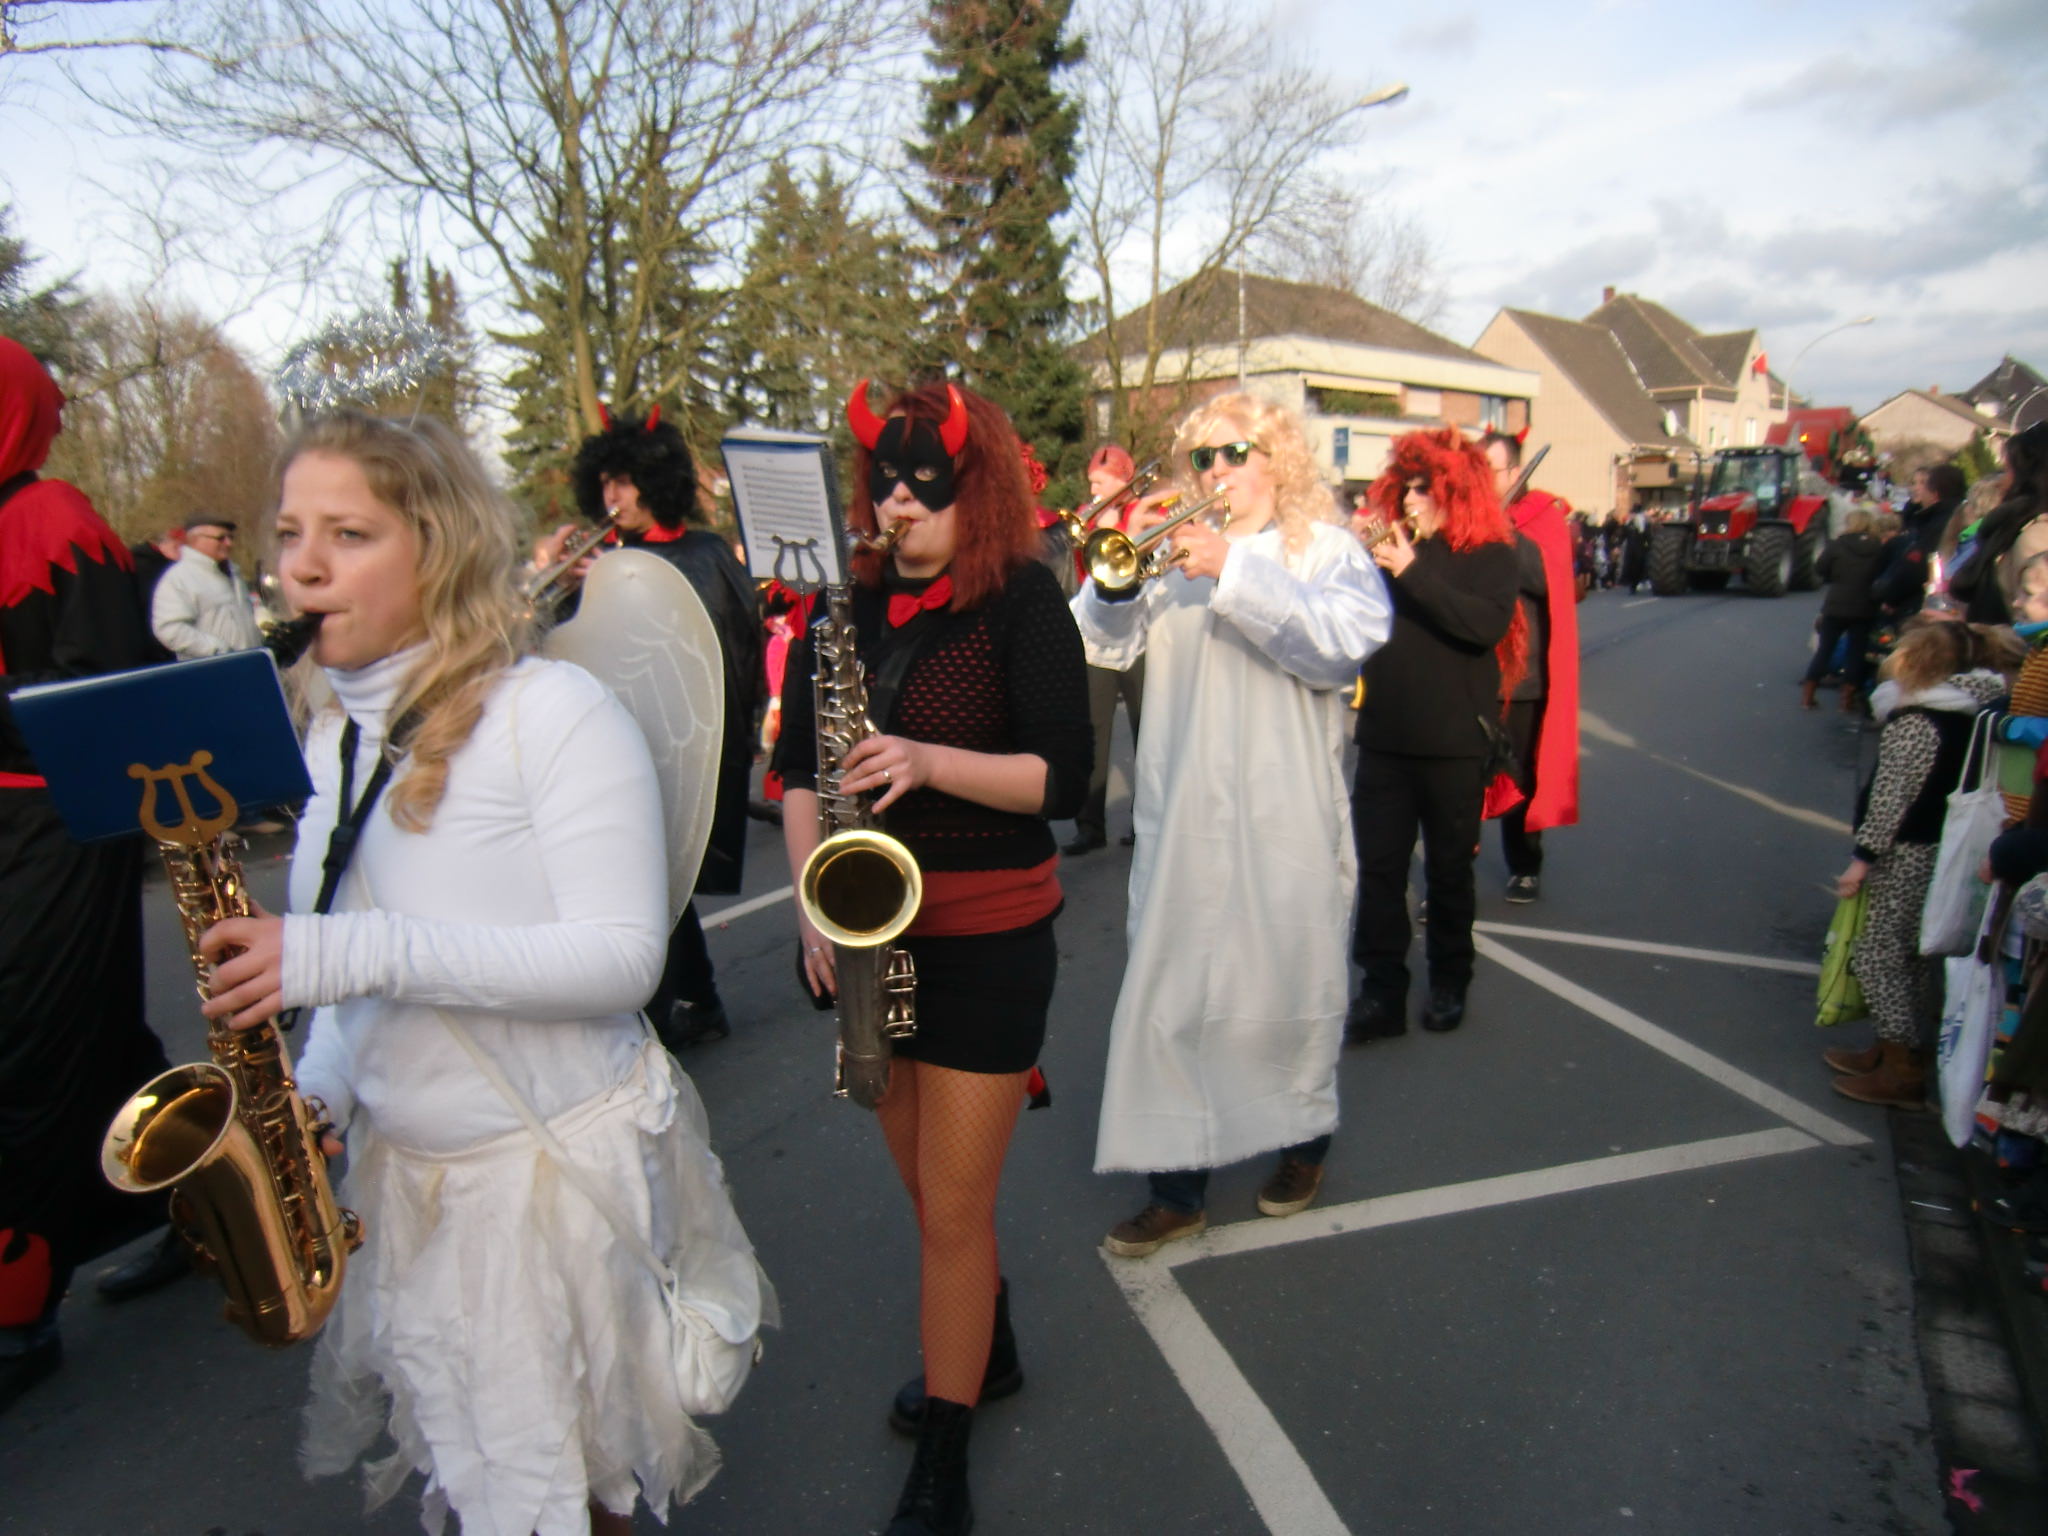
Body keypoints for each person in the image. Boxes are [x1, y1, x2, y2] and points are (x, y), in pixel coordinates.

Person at [194, 409, 768, 1535]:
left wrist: (330, 953)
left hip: (550, 1184)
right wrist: (320, 1091)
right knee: (490, 1493)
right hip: (415, 1187)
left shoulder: (549, 713)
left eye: (348, 534)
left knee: (571, 1503)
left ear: (439, 545)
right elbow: (353, 968)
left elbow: (620, 959)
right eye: (290, 532)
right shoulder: (333, 737)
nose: (301, 567)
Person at [776, 380, 1090, 1536]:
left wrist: (925, 759)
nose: (898, 504)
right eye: (884, 483)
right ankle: (986, 1344)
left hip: (990, 938)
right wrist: (811, 908)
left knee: (954, 1210)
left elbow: (1064, 778)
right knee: (924, 1190)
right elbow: (797, 773)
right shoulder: (839, 609)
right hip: (870, 934)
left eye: (926, 485)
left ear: (978, 492)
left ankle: (942, 1467)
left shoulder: (1022, 599)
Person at [1077, 392, 1390, 1254]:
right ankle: (1176, 1189)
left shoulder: (1323, 549)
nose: (1216, 471)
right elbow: (1102, 643)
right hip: (1184, 817)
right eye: (1203, 458)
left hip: (1282, 814)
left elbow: (1342, 643)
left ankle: (1302, 1144)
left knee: (1288, 985)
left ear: (1276, 459)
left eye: (1234, 453)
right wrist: (1117, 580)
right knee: (1170, 998)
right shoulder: (1173, 550)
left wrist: (1233, 571)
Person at [0, 338, 175, 1412]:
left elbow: (106, 693)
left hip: (53, 824)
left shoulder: (53, 520)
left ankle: (18, 1305)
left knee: (24, 1045)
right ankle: (201, 1196)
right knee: (100, 1038)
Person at [545, 407, 764, 1050]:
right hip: (617, 739)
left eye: (625, 480)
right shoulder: (608, 560)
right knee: (651, 878)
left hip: (678, 737)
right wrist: (572, 590)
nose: (612, 495)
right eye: (605, 482)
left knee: (654, 876)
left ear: (655, 481)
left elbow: (728, 649)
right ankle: (699, 999)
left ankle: (665, 1011)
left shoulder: (703, 553)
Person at [1348, 427, 1525, 1041]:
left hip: (1453, 746)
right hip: (1384, 740)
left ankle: (1450, 980)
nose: (1411, 499)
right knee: (1379, 874)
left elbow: (1482, 625)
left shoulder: (1493, 555)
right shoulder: (1388, 549)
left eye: (1424, 489)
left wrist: (1412, 570)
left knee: (1449, 874)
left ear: (1456, 491)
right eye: (1407, 487)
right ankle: (1381, 992)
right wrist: (1352, 556)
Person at [1825, 621, 2006, 1106]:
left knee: (1879, 956)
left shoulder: (1916, 721)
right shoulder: (1972, 712)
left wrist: (1862, 860)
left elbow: (1891, 799)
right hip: (1942, 848)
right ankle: (1897, 1049)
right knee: (1913, 955)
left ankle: (1901, 1066)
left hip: (1906, 851)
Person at [1481, 431, 1579, 904]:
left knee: (1520, 777)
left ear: (1515, 473)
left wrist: (1504, 535)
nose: (1483, 480)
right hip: (1472, 672)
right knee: (1460, 782)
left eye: (1491, 471)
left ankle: (1524, 865)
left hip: (1522, 677)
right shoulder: (1464, 513)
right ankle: (1449, 876)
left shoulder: (1542, 517)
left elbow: (1546, 579)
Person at [1066, 443, 1145, 856]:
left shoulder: (1145, 512)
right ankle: (1089, 826)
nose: (1094, 491)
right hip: (1096, 636)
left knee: (1147, 730)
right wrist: (1097, 530)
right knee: (1093, 731)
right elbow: (1085, 570)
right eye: (1092, 483)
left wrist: (1125, 531)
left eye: (1101, 482)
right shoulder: (1090, 514)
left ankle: (1145, 821)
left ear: (1121, 480)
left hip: (1139, 636)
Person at [1800, 508, 1887, 711]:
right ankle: (1846, 700)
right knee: (1856, 653)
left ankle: (1808, 695)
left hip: (1836, 603)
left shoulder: (1838, 544)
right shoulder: (1878, 548)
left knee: (1825, 649)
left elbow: (1820, 568)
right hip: (1865, 606)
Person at [150, 515, 263, 660]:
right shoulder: (179, 578)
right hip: (212, 667)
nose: (229, 543)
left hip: (248, 662)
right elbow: (169, 629)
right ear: (195, 540)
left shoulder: (234, 573)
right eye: (221, 538)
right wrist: (217, 650)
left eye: (231, 537)